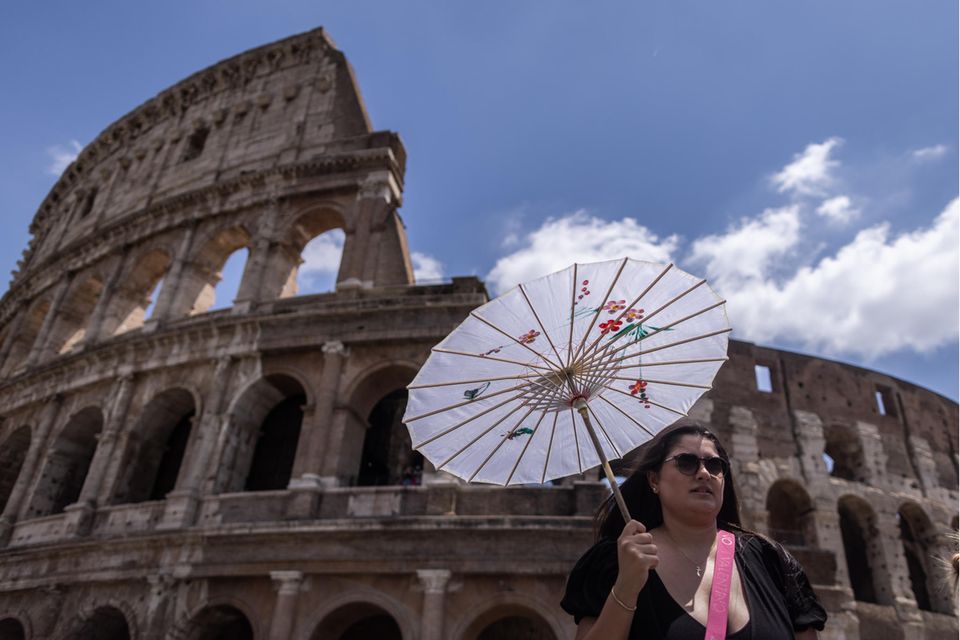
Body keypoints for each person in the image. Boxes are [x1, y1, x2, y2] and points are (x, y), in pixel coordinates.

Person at [561, 421, 827, 639]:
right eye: (686, 462)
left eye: (714, 465)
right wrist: (626, 586)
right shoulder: (616, 561)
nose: (703, 473)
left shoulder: (772, 561)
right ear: (654, 480)